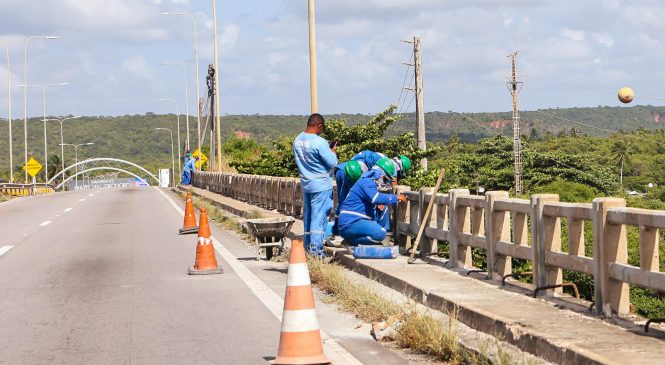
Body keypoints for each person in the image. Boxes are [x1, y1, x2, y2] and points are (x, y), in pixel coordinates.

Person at [293, 113, 338, 256]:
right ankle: (316, 252)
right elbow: (332, 163)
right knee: (319, 218)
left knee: (309, 216)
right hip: (321, 184)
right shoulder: (319, 142)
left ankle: (307, 248)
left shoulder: (297, 140)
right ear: (319, 125)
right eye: (322, 127)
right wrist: (332, 152)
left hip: (306, 183)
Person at [338, 160, 407, 246]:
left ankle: (352, 240)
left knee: (383, 209)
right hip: (351, 222)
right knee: (380, 233)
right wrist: (396, 197)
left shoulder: (369, 182)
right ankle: (351, 242)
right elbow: (375, 198)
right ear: (381, 174)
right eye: (385, 179)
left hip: (357, 220)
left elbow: (374, 199)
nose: (386, 182)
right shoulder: (366, 182)